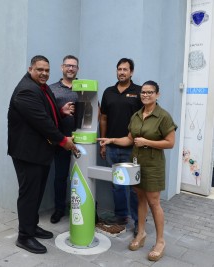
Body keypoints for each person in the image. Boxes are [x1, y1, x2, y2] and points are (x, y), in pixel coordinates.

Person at [98, 80, 177, 262]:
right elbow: (129, 139)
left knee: (154, 202)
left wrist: (147, 142)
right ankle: (140, 234)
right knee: (140, 198)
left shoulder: (163, 116)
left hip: (153, 165)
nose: (146, 95)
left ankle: (160, 242)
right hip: (136, 163)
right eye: (143, 92)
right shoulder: (136, 115)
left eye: (150, 92)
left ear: (157, 95)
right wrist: (111, 140)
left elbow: (170, 142)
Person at [7, 55, 77, 254]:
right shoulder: (27, 90)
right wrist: (64, 141)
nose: (44, 73)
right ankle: (24, 236)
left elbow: (47, 113)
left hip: (40, 151)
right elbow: (41, 121)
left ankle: (32, 226)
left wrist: (61, 112)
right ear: (31, 69)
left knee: (36, 193)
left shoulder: (41, 88)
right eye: (40, 70)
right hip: (28, 152)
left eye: (47, 70)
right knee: (29, 194)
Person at [99, 58, 142, 236]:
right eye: (119, 69)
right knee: (117, 185)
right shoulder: (108, 92)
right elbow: (103, 118)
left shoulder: (139, 92)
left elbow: (146, 117)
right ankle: (121, 217)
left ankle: (139, 222)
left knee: (133, 187)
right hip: (111, 146)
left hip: (131, 148)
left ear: (131, 72)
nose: (122, 72)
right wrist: (103, 142)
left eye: (125, 69)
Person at [49, 55, 79, 223]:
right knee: (60, 177)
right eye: (68, 65)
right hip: (61, 141)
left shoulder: (84, 88)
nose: (70, 69)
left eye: (74, 66)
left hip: (82, 142)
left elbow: (96, 110)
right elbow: (47, 115)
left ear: (77, 69)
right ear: (62, 67)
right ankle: (59, 209)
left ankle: (81, 207)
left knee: (81, 176)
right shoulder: (52, 89)